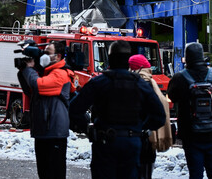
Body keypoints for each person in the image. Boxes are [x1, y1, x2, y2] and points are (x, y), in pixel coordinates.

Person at [69, 40, 166, 179]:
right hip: (132, 142)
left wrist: (87, 128)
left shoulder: (98, 82)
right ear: (128, 60)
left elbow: (74, 109)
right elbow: (159, 116)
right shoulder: (140, 84)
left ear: (110, 59)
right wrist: (140, 128)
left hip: (104, 142)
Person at [18, 41, 75, 179]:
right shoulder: (47, 73)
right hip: (45, 131)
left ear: (58, 56)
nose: (44, 56)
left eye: (48, 53)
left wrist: (29, 69)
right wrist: (24, 70)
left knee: (53, 173)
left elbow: (38, 86)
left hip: (54, 132)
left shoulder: (60, 74)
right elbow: (29, 90)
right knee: (44, 173)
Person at [167, 42, 212, 179]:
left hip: (191, 136)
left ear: (187, 58)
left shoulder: (179, 78)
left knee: (195, 174)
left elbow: (172, 97)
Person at [129, 54, 172, 179]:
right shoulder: (152, 84)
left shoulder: (136, 85)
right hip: (150, 142)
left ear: (134, 68)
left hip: (138, 138)